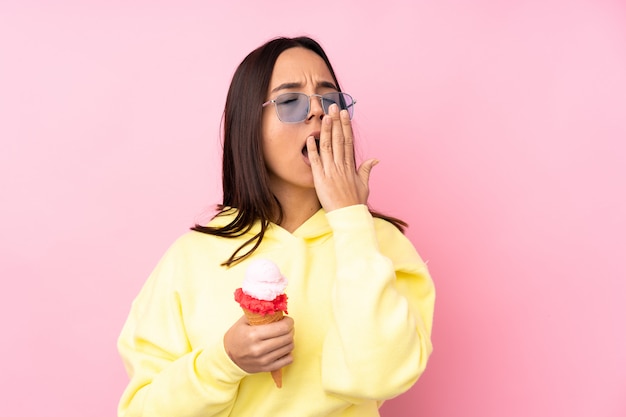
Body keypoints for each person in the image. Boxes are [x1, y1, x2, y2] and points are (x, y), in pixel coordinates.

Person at [117, 36, 435, 417]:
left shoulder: (378, 243)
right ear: (250, 125)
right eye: (290, 101)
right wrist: (224, 361)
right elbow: (141, 411)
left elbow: (378, 378)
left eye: (330, 99)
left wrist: (351, 220)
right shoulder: (192, 257)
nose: (318, 112)